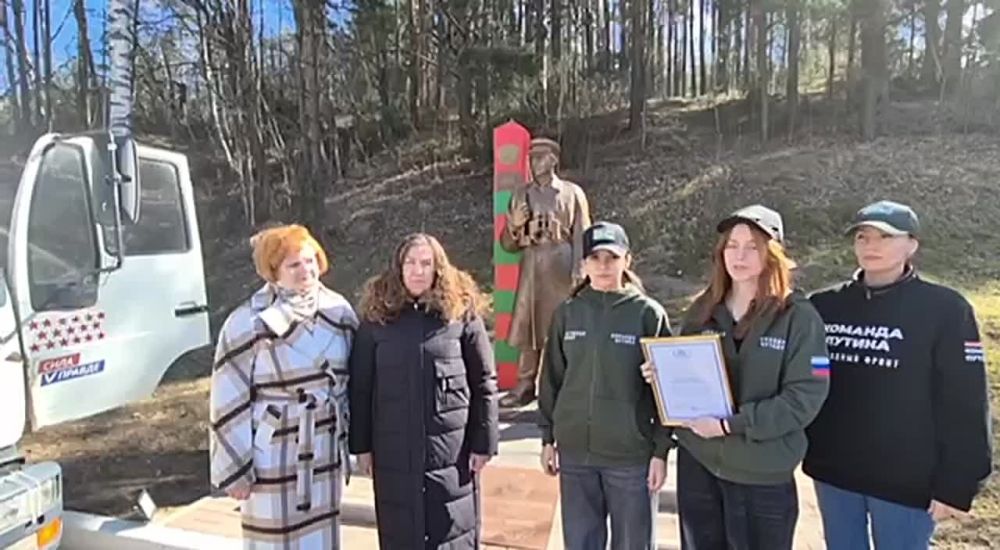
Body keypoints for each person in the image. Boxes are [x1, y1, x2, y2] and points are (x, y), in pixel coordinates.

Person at [805, 200, 993, 550]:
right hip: (835, 472)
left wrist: (959, 482)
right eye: (862, 237)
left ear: (912, 244)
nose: (871, 245)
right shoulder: (823, 307)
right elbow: (811, 379)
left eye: (885, 236)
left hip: (906, 482)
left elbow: (965, 399)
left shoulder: (946, 310)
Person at [642, 205, 830, 550]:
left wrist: (732, 424)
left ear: (771, 254)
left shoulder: (800, 319)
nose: (738, 255)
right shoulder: (703, 310)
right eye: (731, 245)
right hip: (700, 465)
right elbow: (689, 374)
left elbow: (805, 398)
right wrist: (663, 375)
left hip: (761, 474)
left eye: (751, 246)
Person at [209, 224, 357, 550]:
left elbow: (355, 380)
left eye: (310, 261)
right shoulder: (246, 322)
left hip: (324, 445)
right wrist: (234, 469)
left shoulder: (339, 311)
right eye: (294, 265)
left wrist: (357, 441)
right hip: (273, 450)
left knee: (322, 535)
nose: (305, 270)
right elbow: (226, 396)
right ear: (273, 272)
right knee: (273, 540)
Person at [348, 233, 499, 549]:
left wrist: (484, 443)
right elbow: (360, 388)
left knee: (451, 535)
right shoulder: (376, 320)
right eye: (411, 263)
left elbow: (484, 382)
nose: (418, 271)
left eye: (426, 263)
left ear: (438, 268)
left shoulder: (461, 316)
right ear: (398, 268)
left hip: (452, 456)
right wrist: (361, 447)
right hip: (393, 456)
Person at [538, 221, 672, 550]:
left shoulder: (648, 315)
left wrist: (660, 451)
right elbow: (551, 379)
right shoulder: (568, 314)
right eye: (594, 258)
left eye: (611, 257)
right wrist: (547, 438)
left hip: (629, 457)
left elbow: (666, 391)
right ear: (583, 264)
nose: (602, 266)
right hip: (575, 457)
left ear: (627, 260)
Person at [499, 137, 592, 407]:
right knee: (529, 324)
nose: (532, 162)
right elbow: (507, 244)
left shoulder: (572, 193)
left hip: (562, 264)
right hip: (532, 263)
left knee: (564, 325)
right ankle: (525, 383)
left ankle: (564, 383)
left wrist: (580, 266)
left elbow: (582, 234)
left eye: (539, 157)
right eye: (530, 157)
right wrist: (515, 226)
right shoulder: (521, 194)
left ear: (553, 159)